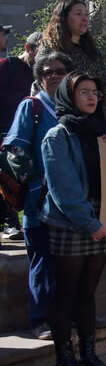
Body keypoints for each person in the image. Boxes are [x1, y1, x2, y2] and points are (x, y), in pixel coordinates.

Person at [40, 71, 106, 366]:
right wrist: (91, 224)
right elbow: (64, 191)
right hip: (72, 223)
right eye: (83, 91)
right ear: (68, 97)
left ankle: (88, 354)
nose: (91, 97)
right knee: (67, 293)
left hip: (101, 218)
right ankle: (64, 361)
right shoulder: (56, 136)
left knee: (87, 292)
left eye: (95, 92)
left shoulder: (101, 133)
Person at [4, 52, 73, 339]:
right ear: (39, 78)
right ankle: (40, 320)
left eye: (60, 71)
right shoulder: (31, 108)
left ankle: (75, 316)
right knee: (42, 261)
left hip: (72, 203)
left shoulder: (76, 109)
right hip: (40, 202)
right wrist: (35, 180)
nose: (54, 75)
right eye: (47, 72)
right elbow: (15, 150)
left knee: (72, 264)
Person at [0, 31, 42, 241]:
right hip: (5, 132)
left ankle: (27, 219)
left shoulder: (43, 73)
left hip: (30, 133)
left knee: (28, 177)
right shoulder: (6, 67)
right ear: (28, 49)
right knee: (8, 175)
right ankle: (10, 222)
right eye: (40, 51)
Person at [37, 0, 106, 101]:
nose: (84, 19)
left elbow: (103, 85)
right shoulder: (50, 48)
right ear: (64, 18)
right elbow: (41, 79)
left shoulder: (94, 52)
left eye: (86, 14)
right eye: (78, 14)